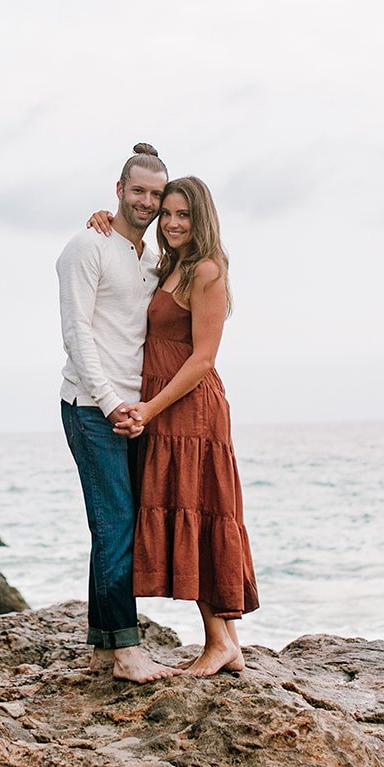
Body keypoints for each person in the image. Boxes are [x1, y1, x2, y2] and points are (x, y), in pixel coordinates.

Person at [91, 176, 259, 677]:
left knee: (199, 511)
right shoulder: (168, 265)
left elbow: (203, 359)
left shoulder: (206, 271)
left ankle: (217, 641)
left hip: (188, 409)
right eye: (167, 214)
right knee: (197, 510)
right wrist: (104, 220)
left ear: (202, 217)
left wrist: (150, 408)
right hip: (167, 410)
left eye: (183, 214)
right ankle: (229, 641)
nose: (173, 222)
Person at [57, 144, 180, 683]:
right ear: (118, 190)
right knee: (116, 525)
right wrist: (110, 405)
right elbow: (77, 334)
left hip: (135, 412)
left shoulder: (152, 262)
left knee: (114, 527)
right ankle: (127, 649)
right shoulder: (87, 246)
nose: (147, 202)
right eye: (139, 191)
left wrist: (140, 410)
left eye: (156, 194)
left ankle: (104, 648)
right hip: (90, 408)